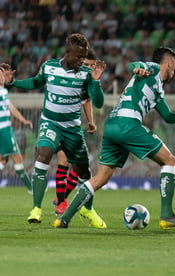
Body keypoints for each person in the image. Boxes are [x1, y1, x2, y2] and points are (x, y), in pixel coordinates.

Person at [52, 47, 175, 229]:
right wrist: (137, 69)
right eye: (174, 66)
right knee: (169, 161)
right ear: (169, 63)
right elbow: (133, 65)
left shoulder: (158, 89)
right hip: (128, 124)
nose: (174, 71)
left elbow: (168, 116)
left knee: (101, 177)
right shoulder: (152, 68)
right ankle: (167, 215)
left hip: (112, 125)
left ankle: (63, 219)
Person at [2, 33, 107, 227]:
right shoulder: (49, 66)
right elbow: (35, 82)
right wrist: (12, 82)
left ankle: (88, 209)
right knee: (43, 155)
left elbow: (98, 102)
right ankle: (36, 209)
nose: (82, 60)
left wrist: (96, 80)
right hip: (50, 123)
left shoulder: (85, 74)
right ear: (67, 53)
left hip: (72, 129)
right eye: (78, 56)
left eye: (84, 57)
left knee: (84, 172)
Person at [53, 50, 100, 215]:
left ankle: (62, 198)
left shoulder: (86, 82)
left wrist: (91, 121)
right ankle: (60, 202)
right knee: (64, 161)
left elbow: (87, 101)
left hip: (74, 127)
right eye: (86, 64)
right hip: (57, 123)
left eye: (91, 66)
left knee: (79, 167)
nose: (88, 68)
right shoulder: (67, 74)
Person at [0, 66, 33, 193]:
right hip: (4, 130)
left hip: (4, 129)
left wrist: (23, 120)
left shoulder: (3, 91)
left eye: (2, 75)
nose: (1, 77)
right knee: (17, 158)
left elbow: (11, 108)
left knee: (3, 159)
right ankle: (31, 189)